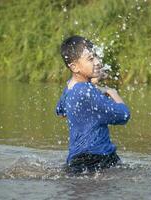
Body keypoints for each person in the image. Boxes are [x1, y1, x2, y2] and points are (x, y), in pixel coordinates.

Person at [55, 35, 131, 174]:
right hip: (99, 159)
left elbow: (61, 112)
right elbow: (124, 115)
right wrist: (113, 93)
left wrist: (93, 83)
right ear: (74, 66)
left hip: (76, 161)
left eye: (96, 56)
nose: (98, 62)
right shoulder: (88, 91)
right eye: (91, 59)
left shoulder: (71, 88)